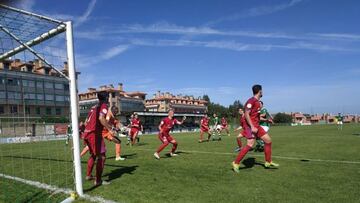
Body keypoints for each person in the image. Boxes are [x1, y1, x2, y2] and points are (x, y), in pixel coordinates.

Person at [232, 85, 279, 173]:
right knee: (250, 144)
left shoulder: (257, 102)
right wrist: (252, 126)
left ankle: (268, 162)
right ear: (260, 91)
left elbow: (256, 117)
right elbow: (246, 114)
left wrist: (267, 120)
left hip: (257, 126)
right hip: (250, 127)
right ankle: (236, 162)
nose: (263, 92)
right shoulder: (251, 101)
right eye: (262, 91)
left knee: (268, 140)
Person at [82, 91, 113, 186]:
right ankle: (98, 180)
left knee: (93, 155)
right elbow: (101, 118)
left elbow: (86, 121)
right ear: (106, 98)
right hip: (94, 135)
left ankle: (88, 175)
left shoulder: (93, 107)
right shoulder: (103, 105)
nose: (108, 99)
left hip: (87, 134)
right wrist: (110, 128)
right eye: (108, 97)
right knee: (102, 157)